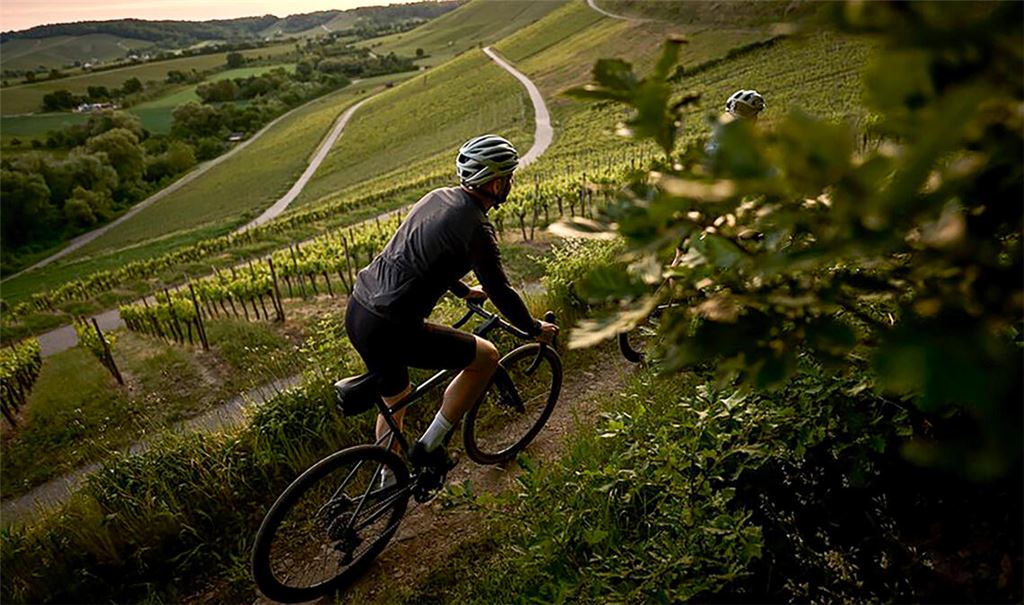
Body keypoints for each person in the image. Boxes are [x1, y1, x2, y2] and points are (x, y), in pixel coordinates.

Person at [345, 134, 559, 477]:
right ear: (495, 181)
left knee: (395, 398)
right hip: (393, 326)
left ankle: (388, 482)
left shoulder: (436, 198)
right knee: (486, 356)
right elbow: (501, 291)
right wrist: (533, 329)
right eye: (508, 177)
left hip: (359, 311)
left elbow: (417, 254)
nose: (510, 184)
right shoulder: (476, 228)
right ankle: (429, 448)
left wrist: (462, 291)